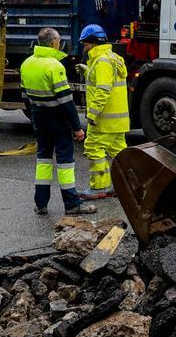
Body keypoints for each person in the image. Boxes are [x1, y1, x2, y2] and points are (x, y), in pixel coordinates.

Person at [20, 27, 95, 216]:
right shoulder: (55, 66)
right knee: (65, 163)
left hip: (39, 117)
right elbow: (66, 101)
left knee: (43, 161)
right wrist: (77, 127)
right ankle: (71, 205)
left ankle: (41, 204)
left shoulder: (27, 64)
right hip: (58, 120)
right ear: (53, 43)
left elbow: (25, 96)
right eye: (58, 41)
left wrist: (36, 116)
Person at [78, 24, 131, 200]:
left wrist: (91, 114)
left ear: (93, 43)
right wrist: (87, 70)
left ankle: (99, 187)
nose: (84, 48)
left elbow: (102, 90)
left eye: (85, 45)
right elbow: (107, 81)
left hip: (104, 120)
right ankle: (125, 186)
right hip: (118, 120)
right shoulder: (112, 57)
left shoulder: (101, 62)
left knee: (93, 148)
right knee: (119, 154)